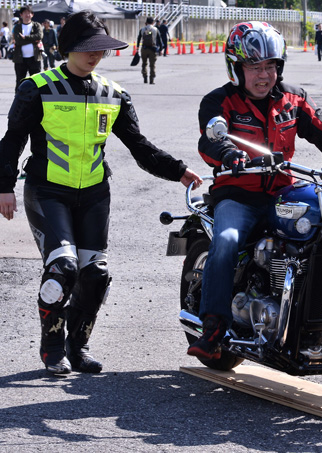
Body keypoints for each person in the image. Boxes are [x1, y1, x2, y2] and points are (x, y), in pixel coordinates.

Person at [0, 10, 203, 375]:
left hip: (95, 193)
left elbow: (139, 146)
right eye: (87, 48)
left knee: (95, 274)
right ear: (68, 48)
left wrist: (179, 171)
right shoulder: (38, 88)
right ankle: (52, 347)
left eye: (101, 49)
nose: (95, 55)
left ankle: (78, 347)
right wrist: (3, 187)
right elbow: (11, 141)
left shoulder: (114, 94)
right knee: (62, 269)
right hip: (47, 191)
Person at [186, 21, 322, 360]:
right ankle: (213, 325)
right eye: (254, 67)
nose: (263, 74)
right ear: (236, 68)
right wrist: (228, 154)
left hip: (284, 188)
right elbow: (210, 140)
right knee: (225, 241)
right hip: (237, 193)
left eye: (270, 66)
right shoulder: (219, 102)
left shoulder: (293, 99)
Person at [12, 5, 42, 92]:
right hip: (20, 59)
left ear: (32, 14)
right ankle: (18, 98)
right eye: (25, 13)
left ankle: (36, 98)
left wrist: (25, 37)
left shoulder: (36, 25)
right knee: (20, 80)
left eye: (29, 13)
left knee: (36, 80)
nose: (27, 15)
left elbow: (40, 36)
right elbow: (18, 41)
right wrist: (33, 40)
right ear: (21, 15)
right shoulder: (17, 27)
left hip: (35, 58)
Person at [136, 17, 159, 84]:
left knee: (144, 64)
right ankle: (151, 79)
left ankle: (145, 77)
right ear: (153, 22)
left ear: (146, 22)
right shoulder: (155, 29)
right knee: (152, 65)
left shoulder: (142, 29)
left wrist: (137, 47)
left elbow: (138, 38)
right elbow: (159, 39)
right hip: (152, 49)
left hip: (144, 48)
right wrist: (160, 49)